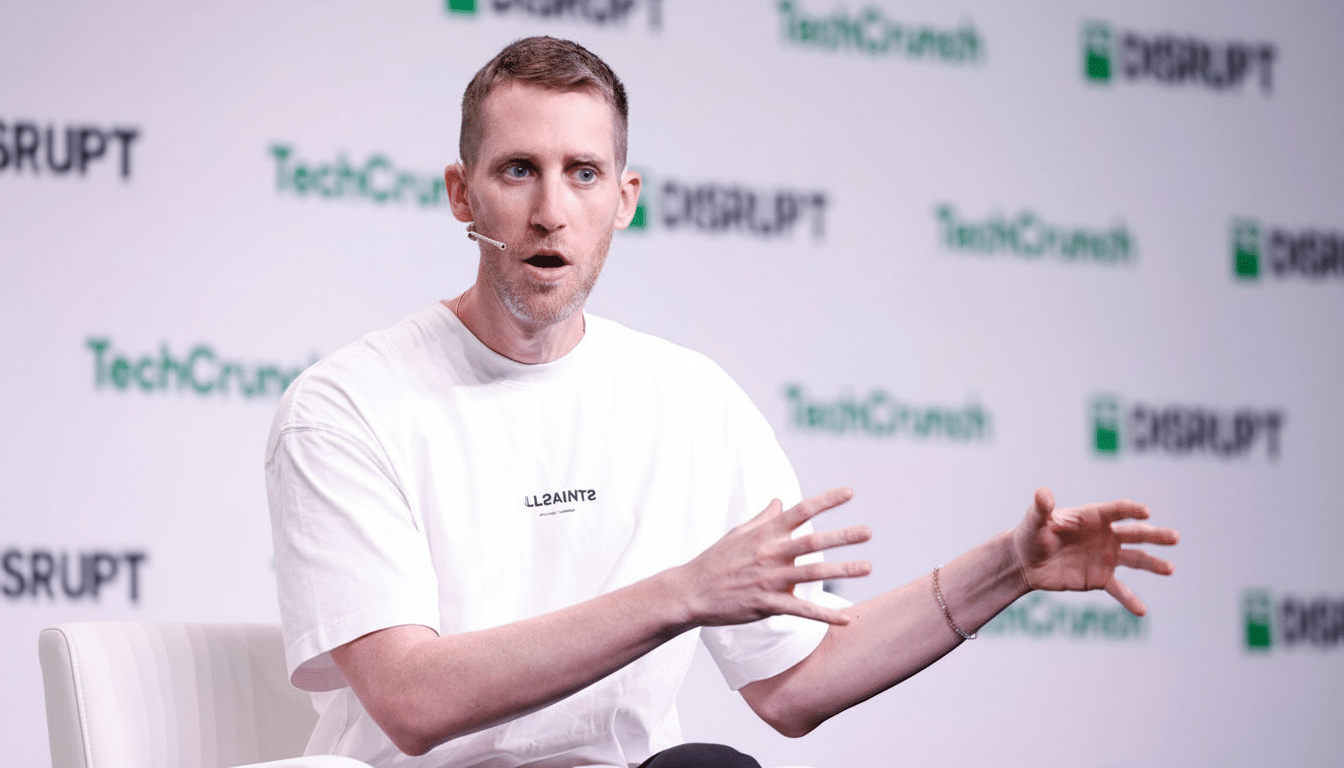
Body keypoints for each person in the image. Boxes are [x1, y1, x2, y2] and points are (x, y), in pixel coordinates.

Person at [265, 36, 1179, 768]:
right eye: (518, 171)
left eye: (583, 173)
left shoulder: (689, 399)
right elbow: (413, 703)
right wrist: (684, 595)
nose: (551, 211)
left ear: (624, 201)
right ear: (463, 193)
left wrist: (1005, 570)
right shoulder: (349, 402)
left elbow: (796, 686)